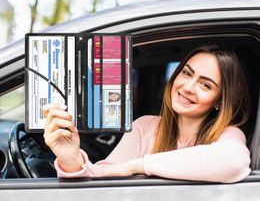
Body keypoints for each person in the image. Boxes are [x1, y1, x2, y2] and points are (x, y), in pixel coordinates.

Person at [43, 45, 251, 183]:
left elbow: (233, 163)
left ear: (220, 101)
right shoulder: (145, 127)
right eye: (186, 73)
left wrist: (139, 165)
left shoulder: (227, 134)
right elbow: (100, 180)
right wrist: (70, 159)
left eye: (205, 85)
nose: (188, 86)